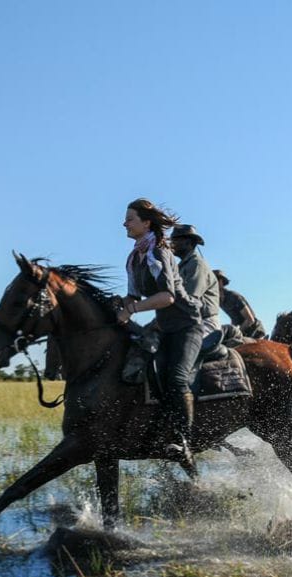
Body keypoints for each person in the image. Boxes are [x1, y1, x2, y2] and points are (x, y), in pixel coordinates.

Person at [115, 198, 201, 474]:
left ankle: (184, 443)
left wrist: (132, 310)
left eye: (129, 218)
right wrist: (119, 305)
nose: (124, 223)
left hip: (187, 326)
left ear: (146, 223)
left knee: (176, 378)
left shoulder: (158, 251)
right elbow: (132, 295)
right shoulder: (134, 257)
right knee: (151, 376)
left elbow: (167, 296)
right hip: (165, 328)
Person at [170, 224, 221, 352]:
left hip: (204, 323)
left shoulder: (196, 264)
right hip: (186, 321)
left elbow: (189, 299)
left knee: (183, 353)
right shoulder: (181, 266)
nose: (172, 243)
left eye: (176, 240)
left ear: (188, 242)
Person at [214, 269, 267, 340]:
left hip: (255, 331)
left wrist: (236, 332)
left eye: (212, 281)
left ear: (220, 282)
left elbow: (250, 319)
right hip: (243, 333)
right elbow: (233, 318)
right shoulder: (219, 301)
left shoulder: (233, 297)